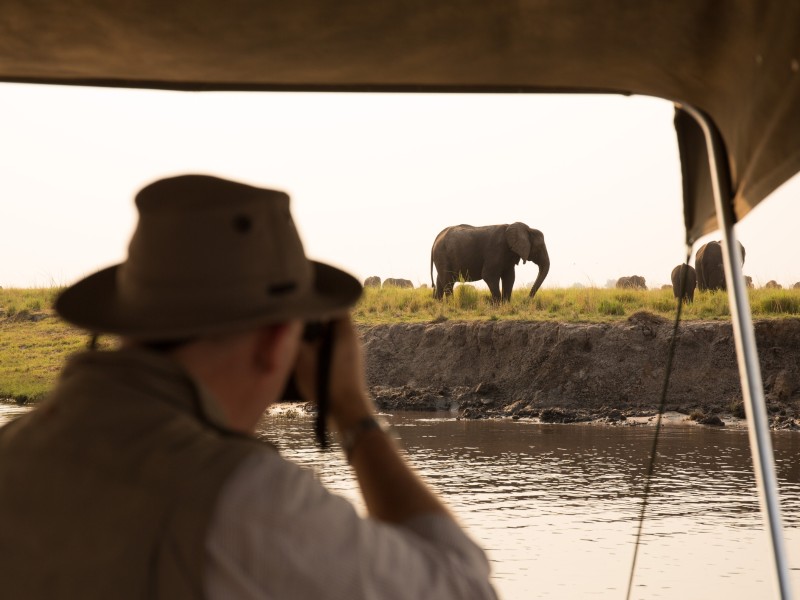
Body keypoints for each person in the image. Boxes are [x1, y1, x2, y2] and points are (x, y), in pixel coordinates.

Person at [0, 174, 497, 599]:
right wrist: (352, 411)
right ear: (278, 339)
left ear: (122, 320)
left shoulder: (14, 449)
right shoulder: (246, 500)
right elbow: (463, 587)